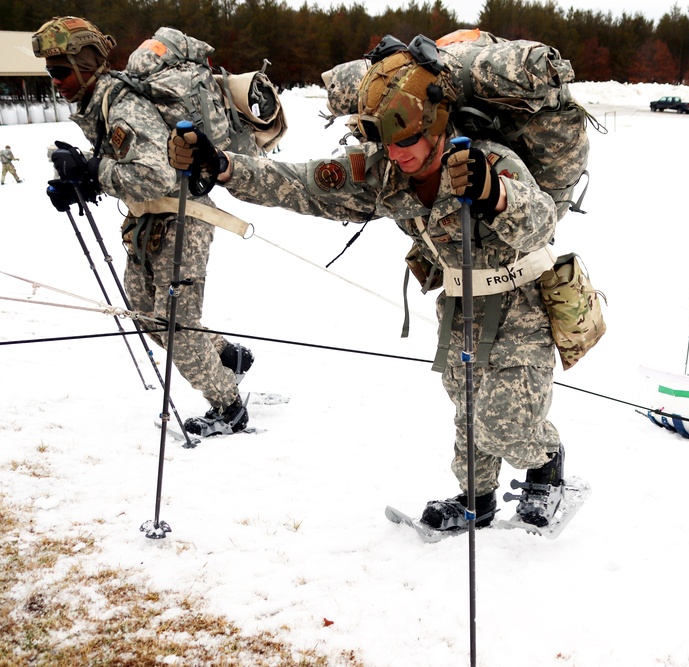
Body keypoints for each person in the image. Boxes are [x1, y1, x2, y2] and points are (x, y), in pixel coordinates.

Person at [168, 36, 567, 530]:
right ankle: (476, 498)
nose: (395, 154)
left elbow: (543, 223)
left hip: (522, 303)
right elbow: (303, 182)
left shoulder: (489, 161)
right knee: (467, 409)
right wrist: (224, 167)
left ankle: (548, 464)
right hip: (462, 305)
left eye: (406, 141)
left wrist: (495, 194)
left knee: (502, 420)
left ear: (436, 125)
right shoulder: (386, 174)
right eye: (385, 142)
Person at [32, 16, 254, 436]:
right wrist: (80, 178)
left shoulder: (122, 104)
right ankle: (228, 358)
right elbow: (130, 164)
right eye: (50, 72)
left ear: (85, 63)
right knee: (144, 313)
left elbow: (157, 175)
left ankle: (229, 407)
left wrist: (95, 170)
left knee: (175, 324)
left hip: (182, 218)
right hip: (148, 220)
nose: (55, 81)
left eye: (60, 70)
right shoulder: (101, 103)